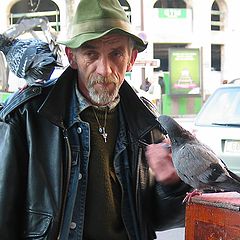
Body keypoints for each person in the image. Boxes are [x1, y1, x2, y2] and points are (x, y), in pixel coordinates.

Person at [0, 0, 191, 239]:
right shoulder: (26, 117)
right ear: (72, 57)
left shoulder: (147, 123)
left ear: (131, 59)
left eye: (116, 54)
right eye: (91, 54)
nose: (105, 70)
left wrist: (171, 184)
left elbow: (160, 220)